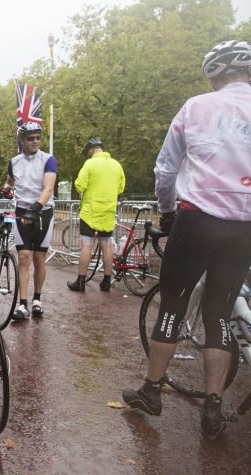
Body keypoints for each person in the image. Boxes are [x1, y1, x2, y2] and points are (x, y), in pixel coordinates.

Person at [123, 40, 251, 441]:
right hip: (244, 224)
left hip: (198, 218)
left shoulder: (196, 107)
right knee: (219, 312)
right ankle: (213, 404)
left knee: (174, 303)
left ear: (214, 74)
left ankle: (152, 390)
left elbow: (166, 168)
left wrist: (167, 212)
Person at [2, 122, 57, 321]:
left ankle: (37, 299)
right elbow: (9, 181)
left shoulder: (48, 159)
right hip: (22, 210)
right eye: (31, 138)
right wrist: (7, 188)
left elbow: (48, 188)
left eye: (38, 137)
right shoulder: (14, 161)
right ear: (22, 140)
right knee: (24, 256)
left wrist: (36, 209)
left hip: (42, 211)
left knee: (39, 259)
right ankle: (22, 304)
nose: (35, 141)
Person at [67, 138, 125, 292]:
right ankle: (106, 281)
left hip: (90, 211)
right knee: (106, 244)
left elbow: (80, 185)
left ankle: (80, 281)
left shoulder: (90, 164)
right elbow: (121, 188)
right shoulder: (116, 165)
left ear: (91, 150)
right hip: (108, 211)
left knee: (86, 244)